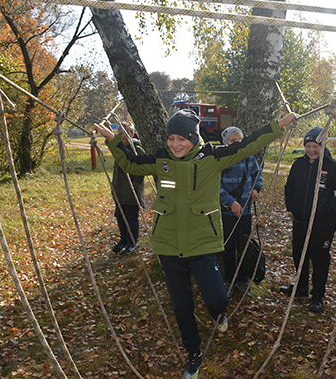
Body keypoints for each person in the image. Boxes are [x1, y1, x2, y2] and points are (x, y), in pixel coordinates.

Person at [94, 109, 296, 379]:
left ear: (194, 137)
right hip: (168, 244)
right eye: (171, 138)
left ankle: (218, 313)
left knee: (217, 299)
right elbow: (131, 163)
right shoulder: (161, 160)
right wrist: (113, 141)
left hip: (202, 243)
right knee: (181, 306)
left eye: (182, 138)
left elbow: (249, 145)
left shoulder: (212, 156)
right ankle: (194, 352)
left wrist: (277, 126)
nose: (175, 144)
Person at [281, 127, 336, 312]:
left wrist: (326, 210)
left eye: (315, 146)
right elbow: (289, 186)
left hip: (322, 224)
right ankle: (301, 288)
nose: (311, 150)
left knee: (320, 259)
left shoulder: (332, 167)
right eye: (308, 146)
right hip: (300, 221)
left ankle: (317, 296)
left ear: (323, 146)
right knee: (299, 255)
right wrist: (291, 205)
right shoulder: (298, 165)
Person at [219, 126, 263, 298]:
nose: (237, 143)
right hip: (227, 213)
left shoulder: (248, 157)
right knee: (228, 246)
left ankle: (244, 279)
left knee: (244, 245)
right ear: (226, 143)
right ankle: (229, 279)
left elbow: (257, 174)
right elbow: (215, 185)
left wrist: (256, 189)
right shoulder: (220, 159)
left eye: (239, 140)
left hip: (245, 212)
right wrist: (231, 202)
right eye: (232, 140)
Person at [111, 122, 145, 255]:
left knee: (131, 218)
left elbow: (141, 171)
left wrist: (134, 189)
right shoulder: (119, 149)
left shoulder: (136, 149)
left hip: (131, 192)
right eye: (120, 134)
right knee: (120, 216)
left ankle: (133, 242)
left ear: (131, 134)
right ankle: (123, 240)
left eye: (126, 134)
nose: (123, 137)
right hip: (120, 191)